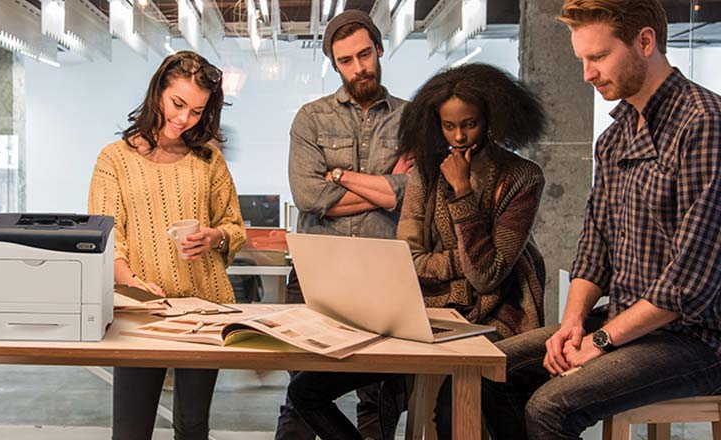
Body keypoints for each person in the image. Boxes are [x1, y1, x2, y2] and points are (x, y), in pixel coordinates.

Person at [480, 0, 721, 437]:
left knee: (550, 407)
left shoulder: (704, 124)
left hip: (697, 338)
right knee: (488, 371)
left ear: (645, 41)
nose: (587, 73)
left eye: (598, 57)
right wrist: (573, 324)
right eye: (582, 60)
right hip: (624, 320)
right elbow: (594, 250)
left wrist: (602, 341)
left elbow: (687, 284)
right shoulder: (613, 139)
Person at [286, 63, 550, 440]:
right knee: (305, 390)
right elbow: (412, 259)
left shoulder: (523, 177)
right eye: (448, 126)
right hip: (424, 316)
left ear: (491, 117)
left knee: (452, 413)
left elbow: (487, 276)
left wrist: (461, 196)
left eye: (470, 124)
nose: (459, 136)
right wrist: (468, 259)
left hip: (495, 320)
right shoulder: (425, 173)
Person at [88, 50, 246, 440]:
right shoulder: (115, 159)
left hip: (204, 312)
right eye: (178, 103)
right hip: (141, 313)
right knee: (130, 429)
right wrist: (133, 285)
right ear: (158, 89)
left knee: (193, 428)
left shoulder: (209, 159)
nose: (183, 118)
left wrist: (215, 237)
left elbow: (235, 227)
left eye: (196, 111)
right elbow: (107, 237)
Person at [278, 10, 412, 439]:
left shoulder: (411, 118)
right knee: (301, 393)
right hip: (317, 277)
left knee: (378, 399)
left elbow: (411, 193)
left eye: (365, 55)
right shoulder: (311, 118)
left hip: (382, 277)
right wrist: (384, 189)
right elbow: (309, 197)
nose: (359, 68)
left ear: (379, 49)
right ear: (335, 65)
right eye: (346, 61)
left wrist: (339, 177)